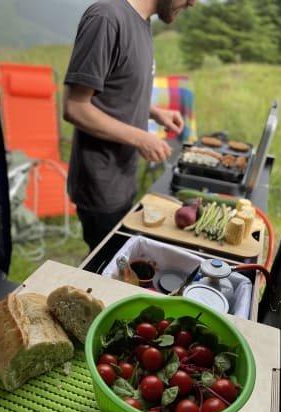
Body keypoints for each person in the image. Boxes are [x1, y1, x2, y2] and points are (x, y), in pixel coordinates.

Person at [63, 0, 196, 251]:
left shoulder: (142, 22)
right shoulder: (106, 18)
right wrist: (141, 138)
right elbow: (75, 107)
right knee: (107, 271)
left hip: (124, 176)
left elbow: (116, 88)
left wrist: (156, 113)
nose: (192, 3)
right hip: (101, 184)